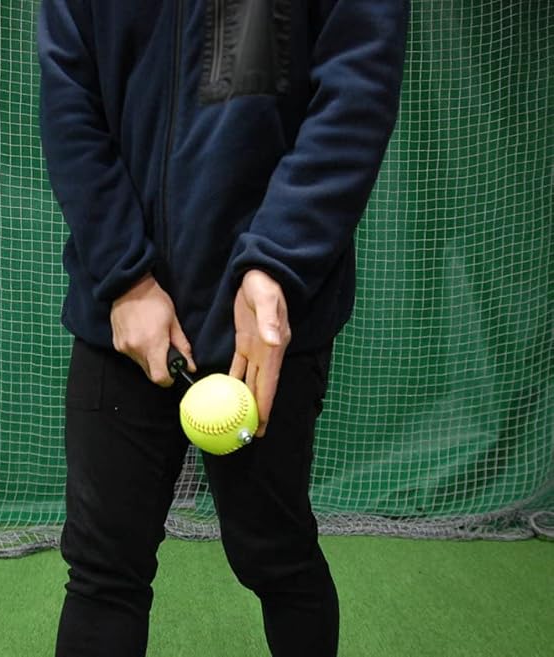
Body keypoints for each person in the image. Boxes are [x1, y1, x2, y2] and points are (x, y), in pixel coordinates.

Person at [37, 1, 408, 655]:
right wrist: (126, 277)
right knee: (103, 570)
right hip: (124, 322)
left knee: (277, 554)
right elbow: (68, 94)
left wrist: (276, 262)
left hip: (265, 321)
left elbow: (356, 89)